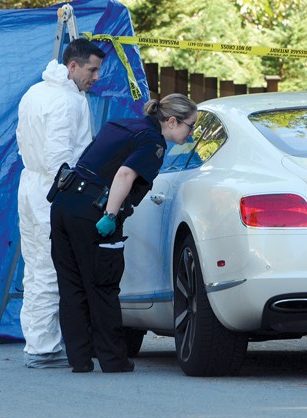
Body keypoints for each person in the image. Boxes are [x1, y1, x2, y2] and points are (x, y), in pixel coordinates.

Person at [50, 93, 198, 373]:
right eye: (190, 126)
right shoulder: (152, 142)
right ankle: (113, 360)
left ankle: (80, 361)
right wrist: (110, 214)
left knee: (71, 287)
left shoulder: (121, 124)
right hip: (93, 213)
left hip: (64, 203)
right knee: (103, 287)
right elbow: (124, 175)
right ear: (171, 120)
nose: (190, 135)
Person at [16, 38, 105, 369]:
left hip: (31, 185)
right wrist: (73, 198)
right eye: (92, 70)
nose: (95, 77)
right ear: (73, 66)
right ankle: (45, 348)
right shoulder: (68, 102)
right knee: (54, 268)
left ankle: (39, 342)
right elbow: (60, 156)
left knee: (36, 267)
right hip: (53, 190)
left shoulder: (34, 93)